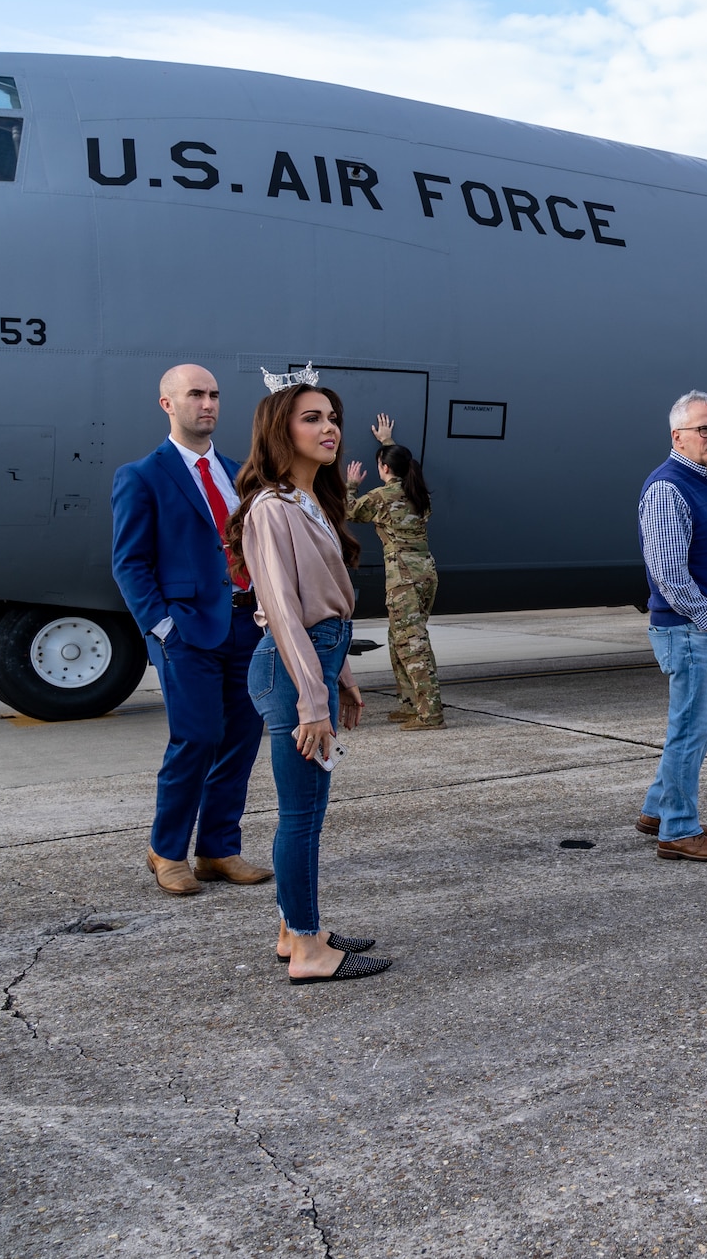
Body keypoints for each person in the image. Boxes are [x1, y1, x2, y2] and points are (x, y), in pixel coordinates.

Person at [229, 371, 390, 984]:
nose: (329, 429)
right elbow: (282, 609)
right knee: (301, 815)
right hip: (291, 670)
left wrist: (340, 673)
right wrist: (313, 700)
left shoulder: (310, 501)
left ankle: (297, 928)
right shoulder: (271, 508)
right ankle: (308, 952)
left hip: (312, 661)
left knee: (309, 812)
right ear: (281, 430)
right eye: (311, 418)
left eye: (331, 417)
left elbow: (322, 608)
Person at [110, 363, 272, 896]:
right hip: (186, 631)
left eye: (214, 395)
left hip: (246, 627)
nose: (208, 404)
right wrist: (162, 627)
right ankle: (166, 850)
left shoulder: (240, 472)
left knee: (243, 738)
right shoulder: (142, 475)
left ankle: (219, 849)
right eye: (196, 394)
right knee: (197, 737)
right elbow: (130, 563)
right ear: (167, 404)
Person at [636, 390, 707, 862]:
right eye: (705, 429)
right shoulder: (669, 487)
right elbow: (667, 569)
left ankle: (659, 810)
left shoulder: (702, 482)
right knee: (689, 732)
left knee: (694, 729)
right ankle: (679, 830)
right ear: (678, 436)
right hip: (692, 631)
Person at [345, 413, 443, 731]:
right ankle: (411, 704)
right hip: (425, 574)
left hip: (403, 578)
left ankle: (431, 714)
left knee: (411, 643)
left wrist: (351, 485)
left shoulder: (382, 497)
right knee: (399, 638)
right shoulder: (419, 494)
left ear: (384, 468)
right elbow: (407, 467)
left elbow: (349, 511)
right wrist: (388, 443)